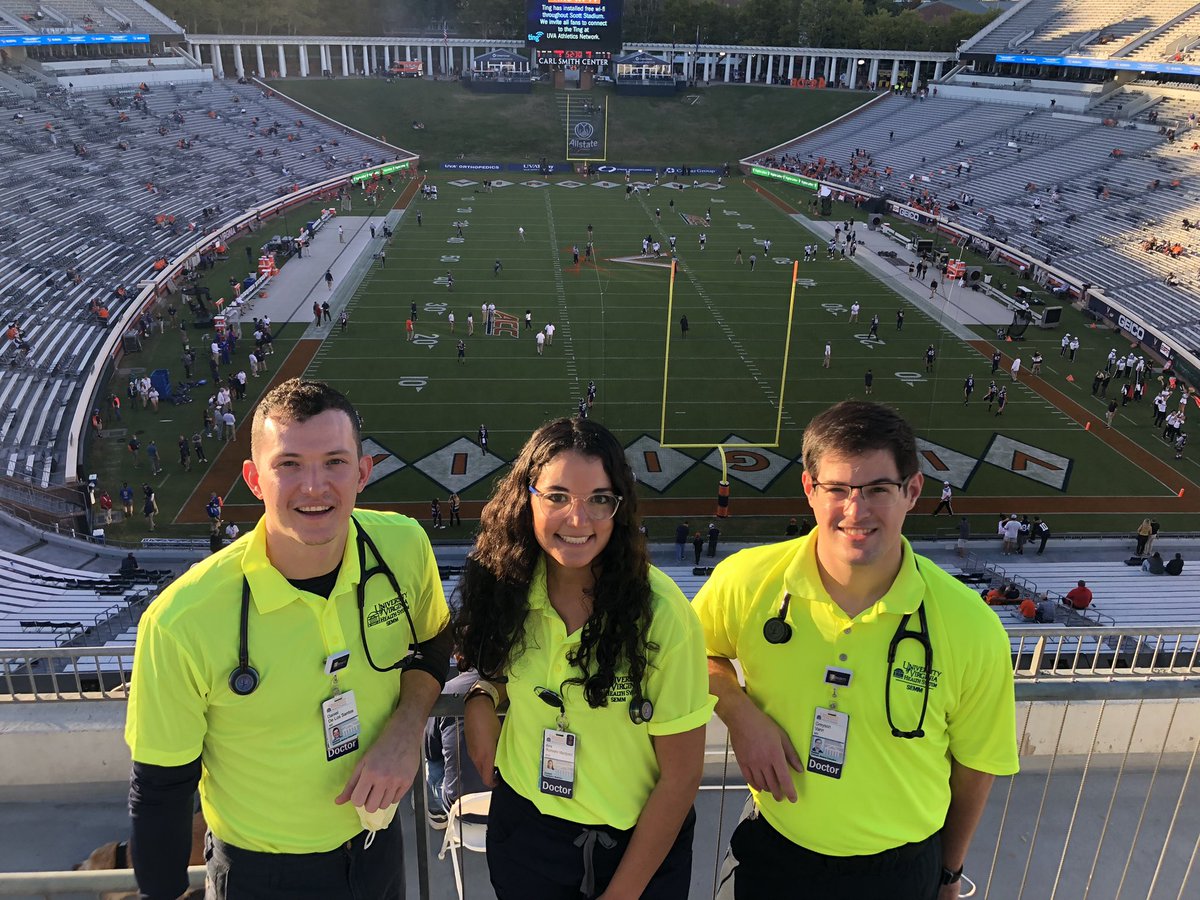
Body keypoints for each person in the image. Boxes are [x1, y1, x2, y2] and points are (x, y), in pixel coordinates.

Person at [125, 379, 451, 900]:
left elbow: (434, 641)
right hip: (262, 876)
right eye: (290, 464)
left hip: (377, 847)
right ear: (254, 479)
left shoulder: (403, 546)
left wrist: (406, 726)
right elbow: (161, 793)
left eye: (336, 462)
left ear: (364, 472)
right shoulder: (180, 621)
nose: (315, 486)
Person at [693, 400, 1017, 898]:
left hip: (900, 868)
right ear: (809, 490)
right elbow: (692, 654)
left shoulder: (971, 624)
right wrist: (738, 711)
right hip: (776, 849)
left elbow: (977, 766)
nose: (855, 510)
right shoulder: (747, 579)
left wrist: (948, 875)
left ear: (912, 491)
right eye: (838, 489)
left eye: (877, 490)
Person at [452, 418, 712, 899]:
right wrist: (483, 694)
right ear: (525, 497)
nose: (578, 519)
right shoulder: (506, 584)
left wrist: (622, 893)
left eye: (599, 499)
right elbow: (502, 664)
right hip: (526, 835)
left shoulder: (663, 614)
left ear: (620, 507)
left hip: (634, 852)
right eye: (556, 496)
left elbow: (681, 777)